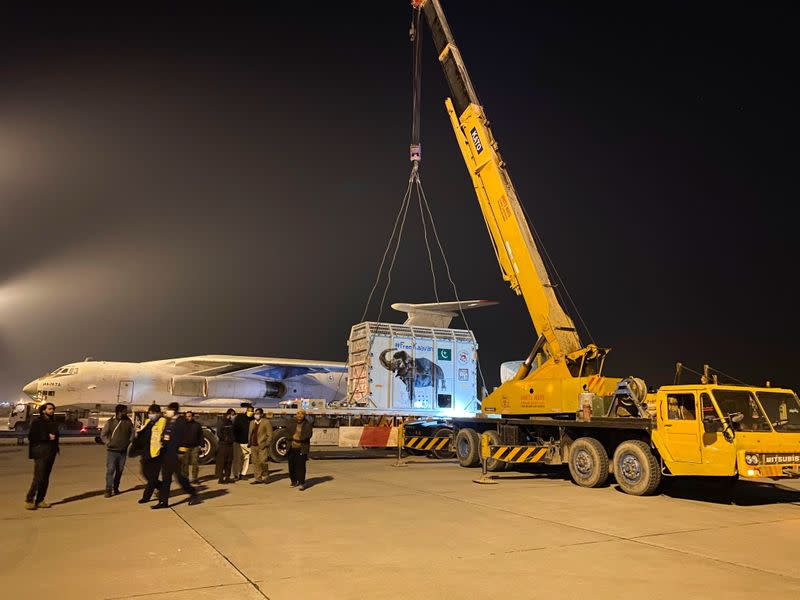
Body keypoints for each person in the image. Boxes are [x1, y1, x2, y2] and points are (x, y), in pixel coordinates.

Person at [152, 402, 200, 509]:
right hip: (166, 454)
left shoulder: (182, 422)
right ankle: (163, 502)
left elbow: (186, 437)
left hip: (176, 455)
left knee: (181, 479)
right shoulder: (169, 421)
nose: (167, 412)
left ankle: (193, 494)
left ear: (174, 411)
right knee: (166, 479)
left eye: (169, 410)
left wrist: (181, 452)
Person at [25, 402, 60, 510]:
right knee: (38, 477)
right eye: (49, 409)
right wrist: (47, 436)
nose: (52, 411)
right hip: (40, 452)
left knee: (45, 478)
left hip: (51, 452)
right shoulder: (37, 422)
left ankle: (40, 499)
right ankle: (29, 499)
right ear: (43, 410)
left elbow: (56, 436)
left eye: (53, 409)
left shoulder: (53, 422)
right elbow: (31, 436)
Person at [132, 404, 166, 504]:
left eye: (153, 413)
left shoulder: (163, 422)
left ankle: (146, 497)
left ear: (159, 413)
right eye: (150, 413)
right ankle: (162, 487)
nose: (151, 415)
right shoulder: (148, 422)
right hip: (146, 453)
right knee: (145, 474)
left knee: (153, 477)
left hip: (157, 454)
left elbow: (162, 434)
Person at [100, 404, 134, 497]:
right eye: (124, 411)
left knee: (120, 470)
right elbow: (103, 434)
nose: (126, 413)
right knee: (110, 470)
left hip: (122, 451)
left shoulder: (128, 422)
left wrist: (129, 442)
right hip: (112, 451)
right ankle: (108, 489)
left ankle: (116, 487)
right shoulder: (110, 422)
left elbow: (132, 432)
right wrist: (108, 443)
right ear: (119, 412)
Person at [286, 409, 313, 491]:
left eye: (302, 414)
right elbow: (287, 432)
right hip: (291, 447)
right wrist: (291, 438)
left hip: (301, 448)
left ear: (304, 415)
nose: (300, 415)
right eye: (298, 413)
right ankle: (293, 481)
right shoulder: (291, 422)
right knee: (291, 465)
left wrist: (299, 439)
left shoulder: (307, 424)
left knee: (300, 466)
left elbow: (308, 435)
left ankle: (302, 483)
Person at [248, 408, 273, 484]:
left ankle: (265, 475)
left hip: (262, 445)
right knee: (255, 462)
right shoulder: (252, 422)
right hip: (253, 445)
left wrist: (266, 444)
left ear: (262, 414)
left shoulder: (266, 422)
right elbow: (250, 433)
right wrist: (249, 442)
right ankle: (258, 478)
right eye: (255, 413)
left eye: (258, 413)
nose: (256, 415)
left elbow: (270, 435)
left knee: (263, 461)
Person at [179, 410, 204, 484]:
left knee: (195, 463)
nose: (188, 418)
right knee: (185, 464)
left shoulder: (197, 425)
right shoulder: (182, 425)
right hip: (185, 447)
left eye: (189, 416)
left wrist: (201, 445)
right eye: (186, 416)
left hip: (195, 447)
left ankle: (195, 478)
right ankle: (185, 478)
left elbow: (201, 435)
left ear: (192, 417)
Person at [232, 405, 254, 480]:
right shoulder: (240, 417)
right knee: (237, 459)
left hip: (247, 443)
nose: (250, 412)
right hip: (238, 442)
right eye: (249, 411)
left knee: (246, 459)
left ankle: (243, 474)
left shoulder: (252, 419)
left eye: (252, 411)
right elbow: (234, 428)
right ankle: (236, 474)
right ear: (246, 410)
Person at [215, 409, 236, 484]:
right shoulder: (222, 421)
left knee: (229, 461)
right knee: (221, 462)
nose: (233, 416)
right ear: (229, 414)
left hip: (230, 445)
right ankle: (220, 478)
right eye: (233, 415)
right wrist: (225, 438)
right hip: (223, 445)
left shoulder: (230, 422)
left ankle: (227, 477)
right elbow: (219, 433)